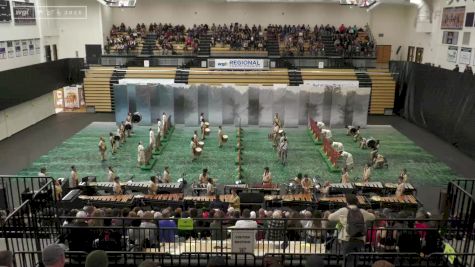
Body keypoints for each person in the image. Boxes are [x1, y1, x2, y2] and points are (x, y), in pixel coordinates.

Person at [328, 194, 375, 258]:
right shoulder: (362, 211)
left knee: (347, 258)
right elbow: (373, 217)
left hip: (347, 238)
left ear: (347, 202)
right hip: (359, 238)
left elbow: (330, 218)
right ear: (357, 202)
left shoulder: (343, 210)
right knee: (356, 258)